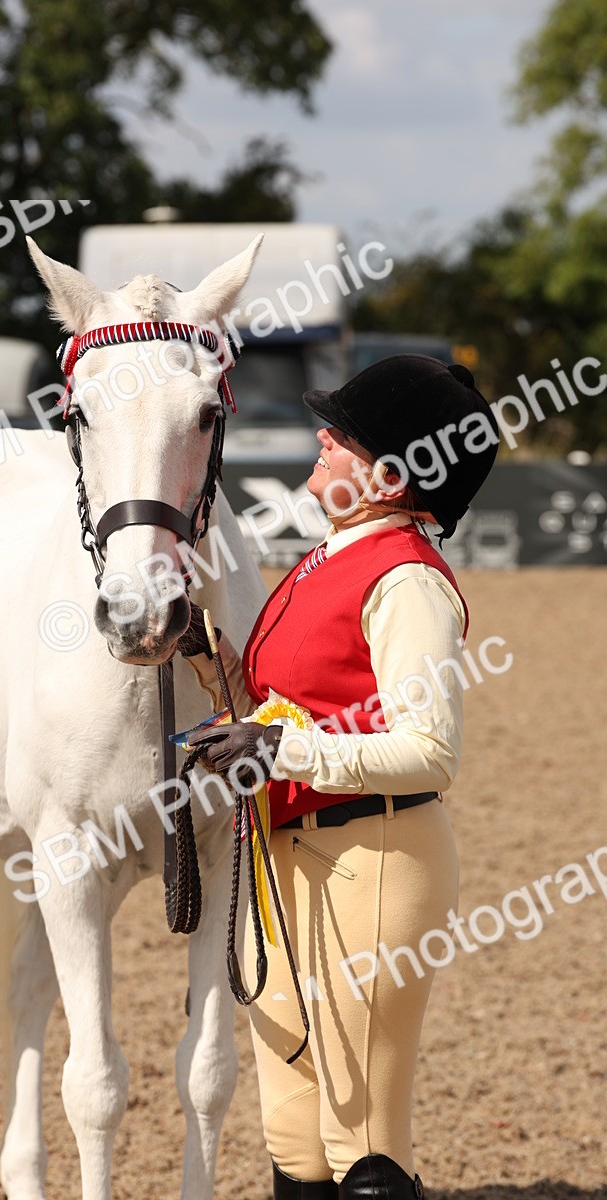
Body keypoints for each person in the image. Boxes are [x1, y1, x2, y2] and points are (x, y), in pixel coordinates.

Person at [178, 355, 500, 1200]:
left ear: (392, 478)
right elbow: (295, 704)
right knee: (294, 1133)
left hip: (374, 860)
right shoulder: (330, 558)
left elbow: (431, 750)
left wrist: (278, 751)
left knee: (363, 1141)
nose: (323, 437)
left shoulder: (406, 580)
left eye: (345, 435)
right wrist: (213, 664)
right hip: (288, 858)